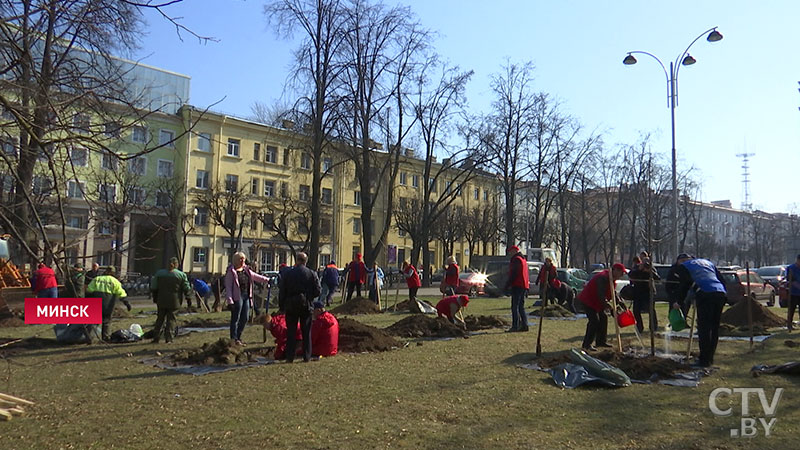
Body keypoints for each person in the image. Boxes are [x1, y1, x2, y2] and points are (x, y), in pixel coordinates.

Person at [670, 254, 727, 367]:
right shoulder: (707, 263)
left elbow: (684, 285)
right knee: (714, 328)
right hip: (720, 293)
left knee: (704, 328)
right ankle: (710, 358)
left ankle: (704, 361)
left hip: (705, 293)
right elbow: (721, 280)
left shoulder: (683, 267)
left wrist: (679, 302)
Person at [278, 252, 321, 363]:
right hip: (306, 305)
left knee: (291, 332)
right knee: (306, 332)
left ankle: (290, 356)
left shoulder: (288, 274)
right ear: (305, 261)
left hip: (291, 304)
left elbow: (282, 290)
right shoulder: (311, 273)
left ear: (296, 260)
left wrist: (282, 305)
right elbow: (318, 290)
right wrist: (309, 297)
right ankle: (307, 356)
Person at [577, 263, 626, 351]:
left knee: (603, 318)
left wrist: (620, 302)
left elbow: (612, 292)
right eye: (621, 273)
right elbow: (600, 294)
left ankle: (601, 341)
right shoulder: (602, 277)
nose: (622, 275)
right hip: (588, 300)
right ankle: (586, 344)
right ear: (615, 270)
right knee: (594, 321)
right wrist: (608, 306)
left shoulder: (611, 279)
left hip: (597, 302)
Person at [225, 251, 271, 346]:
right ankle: (233, 339)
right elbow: (228, 287)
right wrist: (230, 301)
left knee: (245, 318)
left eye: (243, 259)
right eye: (240, 259)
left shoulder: (246, 270)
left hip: (246, 296)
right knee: (235, 318)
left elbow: (255, 276)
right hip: (237, 297)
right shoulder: (231, 272)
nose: (242, 261)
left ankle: (239, 336)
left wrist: (267, 280)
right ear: (235, 260)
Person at [150, 257, 192, 344]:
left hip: (161, 299)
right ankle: (169, 338)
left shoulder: (159, 273)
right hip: (174, 300)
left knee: (160, 318)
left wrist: (155, 297)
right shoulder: (181, 275)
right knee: (171, 319)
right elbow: (186, 288)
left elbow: (154, 287)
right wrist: (188, 299)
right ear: (176, 264)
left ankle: (156, 337)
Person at [86, 266, 128, 341]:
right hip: (108, 305)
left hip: (96, 303)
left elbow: (89, 290)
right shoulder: (115, 281)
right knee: (106, 321)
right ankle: (105, 338)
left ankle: (89, 338)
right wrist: (126, 303)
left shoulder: (97, 279)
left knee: (93, 322)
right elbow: (121, 294)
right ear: (113, 273)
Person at [628, 256, 661, 333]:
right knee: (636, 310)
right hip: (637, 292)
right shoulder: (637, 267)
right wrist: (639, 269)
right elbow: (630, 275)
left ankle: (653, 327)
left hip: (648, 292)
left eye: (648, 262)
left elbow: (658, 279)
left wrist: (650, 271)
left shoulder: (651, 268)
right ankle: (639, 327)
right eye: (644, 262)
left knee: (651, 310)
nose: (646, 264)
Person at [505, 246, 529, 332]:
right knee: (521, 307)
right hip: (523, 285)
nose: (510, 253)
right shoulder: (523, 259)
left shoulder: (516, 260)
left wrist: (507, 285)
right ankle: (524, 325)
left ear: (515, 251)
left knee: (515, 306)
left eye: (510, 251)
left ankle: (515, 326)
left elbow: (514, 274)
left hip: (517, 285)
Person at [786, 254, 800, 331]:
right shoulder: (791, 268)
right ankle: (789, 324)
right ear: (797, 260)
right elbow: (790, 280)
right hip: (793, 292)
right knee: (791, 309)